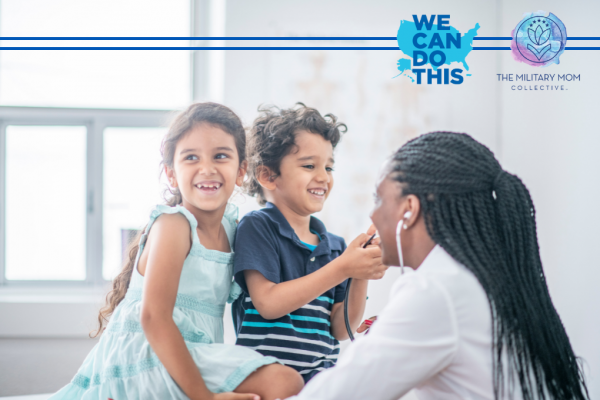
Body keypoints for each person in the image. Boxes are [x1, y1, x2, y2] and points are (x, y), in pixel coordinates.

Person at [287, 131, 589, 400]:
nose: (373, 215)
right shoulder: (475, 278)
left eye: (379, 200)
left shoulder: (437, 289)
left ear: (409, 210)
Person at [49, 103, 304, 400]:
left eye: (220, 156)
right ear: (171, 174)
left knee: (286, 382)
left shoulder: (233, 229)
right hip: (149, 357)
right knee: (283, 382)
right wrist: (203, 397)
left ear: (241, 170)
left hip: (194, 355)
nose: (207, 168)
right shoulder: (174, 225)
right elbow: (154, 318)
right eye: (191, 157)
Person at [232, 104, 387, 382]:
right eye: (309, 165)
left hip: (320, 383)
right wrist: (343, 268)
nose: (323, 177)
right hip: (268, 381)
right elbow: (268, 303)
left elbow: (341, 329)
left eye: (329, 167)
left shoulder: (336, 247)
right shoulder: (258, 227)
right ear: (268, 176)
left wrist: (358, 272)